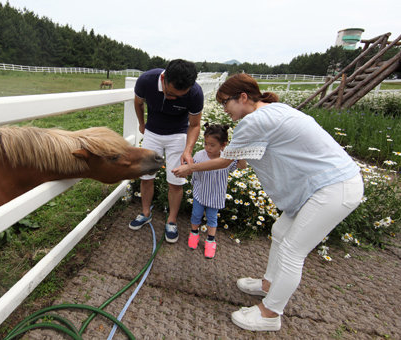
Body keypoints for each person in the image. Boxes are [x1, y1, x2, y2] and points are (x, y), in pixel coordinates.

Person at [172, 73, 363, 331]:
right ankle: (268, 285)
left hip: (332, 187)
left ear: (242, 97)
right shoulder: (274, 110)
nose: (225, 109)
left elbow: (226, 160)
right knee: (280, 231)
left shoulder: (256, 121)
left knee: (292, 251)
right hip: (322, 186)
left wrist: (190, 169)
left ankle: (270, 314)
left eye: (225, 102)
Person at [129, 59, 204, 243]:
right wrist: (141, 124)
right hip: (152, 132)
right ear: (164, 78)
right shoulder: (146, 80)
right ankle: (146, 213)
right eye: (170, 93)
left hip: (178, 135)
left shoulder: (195, 93)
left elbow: (194, 125)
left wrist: (188, 149)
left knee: (176, 180)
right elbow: (138, 103)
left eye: (179, 96)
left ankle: (171, 221)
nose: (172, 98)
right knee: (146, 176)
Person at [188, 123, 246, 259]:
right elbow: (190, 167)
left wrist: (240, 152)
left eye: (212, 145)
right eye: (206, 143)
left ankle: (210, 241)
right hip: (200, 192)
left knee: (212, 218)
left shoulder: (227, 159)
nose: (207, 148)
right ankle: (194, 233)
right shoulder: (200, 155)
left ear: (223, 145)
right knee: (196, 215)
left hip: (215, 196)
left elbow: (242, 166)